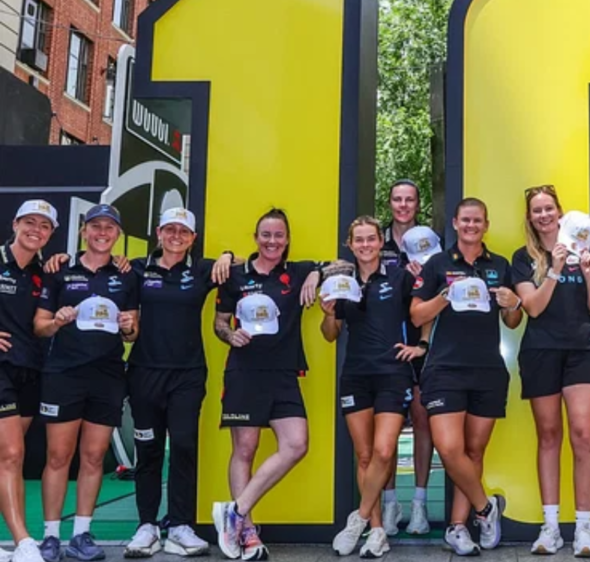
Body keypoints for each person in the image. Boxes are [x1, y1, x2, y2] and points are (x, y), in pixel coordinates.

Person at [409, 198, 521, 556]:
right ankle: (486, 509)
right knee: (449, 448)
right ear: (455, 223)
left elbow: (512, 322)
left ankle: (458, 527)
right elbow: (416, 315)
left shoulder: (499, 265)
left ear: (486, 225)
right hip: (444, 369)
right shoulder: (437, 264)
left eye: (478, 221)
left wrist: (513, 303)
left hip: (488, 370)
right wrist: (445, 295)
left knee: (473, 451)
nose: (471, 226)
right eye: (465, 220)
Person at [119, 208, 233, 558]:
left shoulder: (201, 269)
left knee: (183, 446)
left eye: (183, 232)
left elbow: (246, 263)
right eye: (170, 229)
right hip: (144, 373)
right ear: (159, 232)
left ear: (193, 238)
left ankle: (180, 525)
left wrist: (228, 255)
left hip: (187, 375)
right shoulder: (137, 268)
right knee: (149, 451)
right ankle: (146, 526)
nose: (176, 236)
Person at [211, 208, 321, 561]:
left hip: (285, 374)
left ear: (287, 240)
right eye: (266, 235)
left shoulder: (298, 272)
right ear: (256, 237)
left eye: (279, 235)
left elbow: (343, 265)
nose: (272, 241)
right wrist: (230, 336)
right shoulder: (234, 275)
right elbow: (219, 323)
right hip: (244, 373)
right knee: (245, 449)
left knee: (296, 444)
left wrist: (317, 273)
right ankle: (247, 534)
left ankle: (235, 511)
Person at [33, 204, 139, 562]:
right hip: (63, 374)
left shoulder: (126, 275)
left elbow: (131, 332)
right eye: (96, 226)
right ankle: (50, 537)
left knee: (93, 457)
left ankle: (81, 534)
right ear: (84, 231)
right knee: (58, 456)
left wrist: (128, 327)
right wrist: (57, 322)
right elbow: (40, 326)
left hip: (107, 376)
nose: (102, 233)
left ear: (118, 234)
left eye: (109, 227)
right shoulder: (60, 270)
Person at [325, 216, 431, 558]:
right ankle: (376, 530)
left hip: (393, 374)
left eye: (371, 239)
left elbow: (422, 312)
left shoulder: (400, 277)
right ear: (350, 244)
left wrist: (422, 345)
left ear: (380, 242)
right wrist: (328, 313)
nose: (366, 245)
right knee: (365, 455)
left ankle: (357, 518)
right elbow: (330, 334)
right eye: (359, 240)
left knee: (384, 451)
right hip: (355, 375)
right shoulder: (342, 283)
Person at [510, 185, 590, 557]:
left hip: (582, 351)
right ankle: (550, 527)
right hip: (541, 352)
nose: (544, 215)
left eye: (549, 208)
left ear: (560, 213)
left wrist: (588, 273)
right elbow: (533, 308)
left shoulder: (588, 252)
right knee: (549, 436)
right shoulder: (523, 258)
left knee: (583, 435)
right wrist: (554, 269)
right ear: (530, 217)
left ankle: (584, 528)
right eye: (537, 210)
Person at [0, 201, 59, 562]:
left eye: (44, 225)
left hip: (31, 370)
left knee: (11, 459)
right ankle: (24, 542)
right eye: (30, 222)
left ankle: (15, 541)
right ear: (15, 223)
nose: (36, 230)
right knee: (10, 454)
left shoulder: (45, 272)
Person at [378, 179, 434, 536]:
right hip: (384, 340)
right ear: (390, 203)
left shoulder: (430, 240)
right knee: (389, 424)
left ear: (417, 203)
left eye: (409, 200)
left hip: (420, 339)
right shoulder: (375, 241)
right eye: (397, 199)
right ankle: (389, 503)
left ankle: (419, 504)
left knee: (422, 418)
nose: (403, 205)